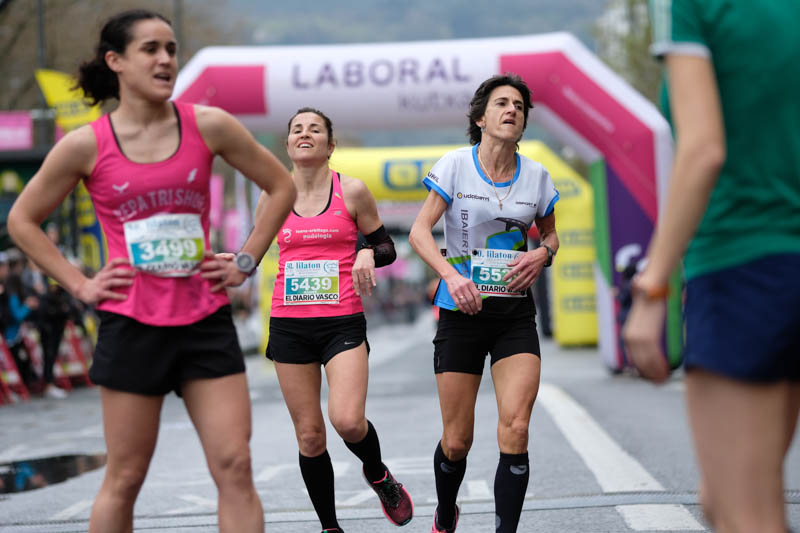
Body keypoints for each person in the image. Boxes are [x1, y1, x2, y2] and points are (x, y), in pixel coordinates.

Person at [7, 9, 296, 533]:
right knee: (125, 478)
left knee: (235, 465)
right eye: (151, 49)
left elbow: (281, 186)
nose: (166, 60)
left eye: (171, 49)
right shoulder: (86, 144)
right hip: (131, 324)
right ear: (115, 61)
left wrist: (246, 260)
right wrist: (80, 284)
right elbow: (23, 221)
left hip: (205, 321)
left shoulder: (209, 124)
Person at [622, 2, 800, 533]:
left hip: (743, 260)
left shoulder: (688, 5)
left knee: (745, 514)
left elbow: (702, 150)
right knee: (724, 497)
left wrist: (653, 285)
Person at [409, 73, 559, 533]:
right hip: (462, 313)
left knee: (516, 427)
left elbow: (551, 235)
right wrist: (452, 276)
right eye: (501, 103)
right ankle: (445, 510)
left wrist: (542, 253)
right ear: (480, 118)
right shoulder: (456, 165)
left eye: (519, 106)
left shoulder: (537, 176)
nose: (512, 110)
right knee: (457, 441)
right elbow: (419, 232)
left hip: (514, 316)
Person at [253, 107, 413, 533]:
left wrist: (366, 251)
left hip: (341, 322)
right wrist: (226, 262)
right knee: (310, 436)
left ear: (330, 145)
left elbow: (387, 247)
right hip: (289, 325)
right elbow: (251, 252)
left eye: (315, 129)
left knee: (347, 420)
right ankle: (330, 527)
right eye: (297, 129)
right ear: (288, 144)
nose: (305, 134)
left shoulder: (352, 190)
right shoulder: (272, 196)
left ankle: (378, 474)